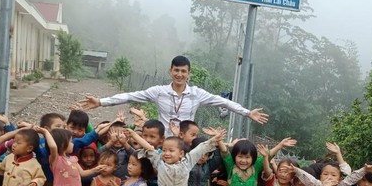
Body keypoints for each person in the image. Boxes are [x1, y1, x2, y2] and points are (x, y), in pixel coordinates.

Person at [77, 55, 269, 136]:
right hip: (162, 141)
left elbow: (224, 102)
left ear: (189, 73)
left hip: (186, 143)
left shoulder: (196, 94)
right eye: (176, 70)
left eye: (183, 71)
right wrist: (101, 102)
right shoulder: (159, 91)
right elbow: (130, 96)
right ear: (170, 71)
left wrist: (247, 112)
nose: (179, 74)